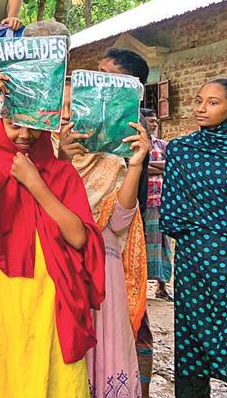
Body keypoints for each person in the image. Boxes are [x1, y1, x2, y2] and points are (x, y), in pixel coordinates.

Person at [0, 70, 105, 397]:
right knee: (0, 371)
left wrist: (36, 184)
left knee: (50, 375)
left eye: (33, 125)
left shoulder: (60, 172)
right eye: (14, 123)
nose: (24, 134)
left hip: (49, 295)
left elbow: (80, 238)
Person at [60, 80, 149, 398]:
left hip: (105, 281)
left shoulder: (111, 161)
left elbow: (120, 221)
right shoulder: (38, 161)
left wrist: (135, 165)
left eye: (76, 106)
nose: (69, 115)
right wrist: (60, 163)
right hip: (62, 276)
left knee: (108, 357)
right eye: (62, 106)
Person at [160, 78, 227, 397]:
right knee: (191, 343)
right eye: (199, 100)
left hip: (215, 257)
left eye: (213, 102)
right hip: (193, 263)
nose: (201, 108)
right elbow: (170, 215)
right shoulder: (181, 150)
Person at [96, 47, 155, 395]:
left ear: (127, 84)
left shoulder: (128, 122)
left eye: (105, 73)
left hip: (121, 229)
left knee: (130, 312)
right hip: (102, 227)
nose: (96, 79)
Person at [140, 108, 172, 300]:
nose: (153, 124)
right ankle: (141, 288)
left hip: (161, 201)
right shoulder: (136, 143)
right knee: (144, 243)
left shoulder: (163, 145)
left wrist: (148, 166)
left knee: (163, 244)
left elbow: (171, 166)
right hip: (145, 201)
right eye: (150, 121)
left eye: (155, 121)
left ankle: (162, 287)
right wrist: (155, 167)